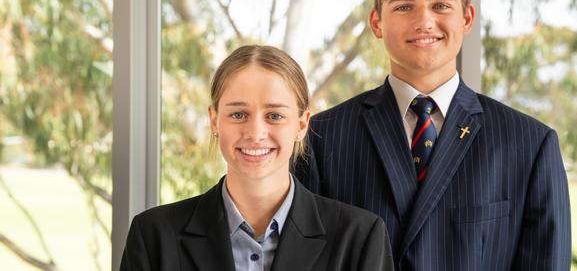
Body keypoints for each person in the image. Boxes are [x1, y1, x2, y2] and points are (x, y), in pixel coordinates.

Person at [296, 0, 571, 270]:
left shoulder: (529, 144)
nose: (424, 21)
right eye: (404, 5)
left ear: (467, 19)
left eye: (440, 5)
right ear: (376, 22)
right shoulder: (324, 137)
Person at [120, 45, 394, 271]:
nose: (255, 133)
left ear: (301, 125)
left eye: (274, 116)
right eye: (238, 114)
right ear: (214, 121)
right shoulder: (153, 236)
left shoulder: (360, 237)